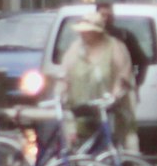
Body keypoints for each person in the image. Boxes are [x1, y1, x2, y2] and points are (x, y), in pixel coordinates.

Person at [57, 11, 135, 149]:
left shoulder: (114, 47)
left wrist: (114, 96)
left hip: (108, 113)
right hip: (80, 111)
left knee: (111, 148)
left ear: (98, 32)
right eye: (82, 31)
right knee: (81, 149)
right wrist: (60, 95)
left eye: (88, 31)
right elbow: (64, 76)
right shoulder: (75, 49)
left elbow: (123, 76)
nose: (83, 34)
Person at [95, 2, 147, 150]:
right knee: (95, 126)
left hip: (122, 90)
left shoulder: (124, 36)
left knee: (127, 127)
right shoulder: (91, 37)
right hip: (98, 90)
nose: (105, 19)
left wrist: (135, 83)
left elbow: (142, 61)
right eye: (102, 15)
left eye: (108, 15)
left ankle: (128, 162)